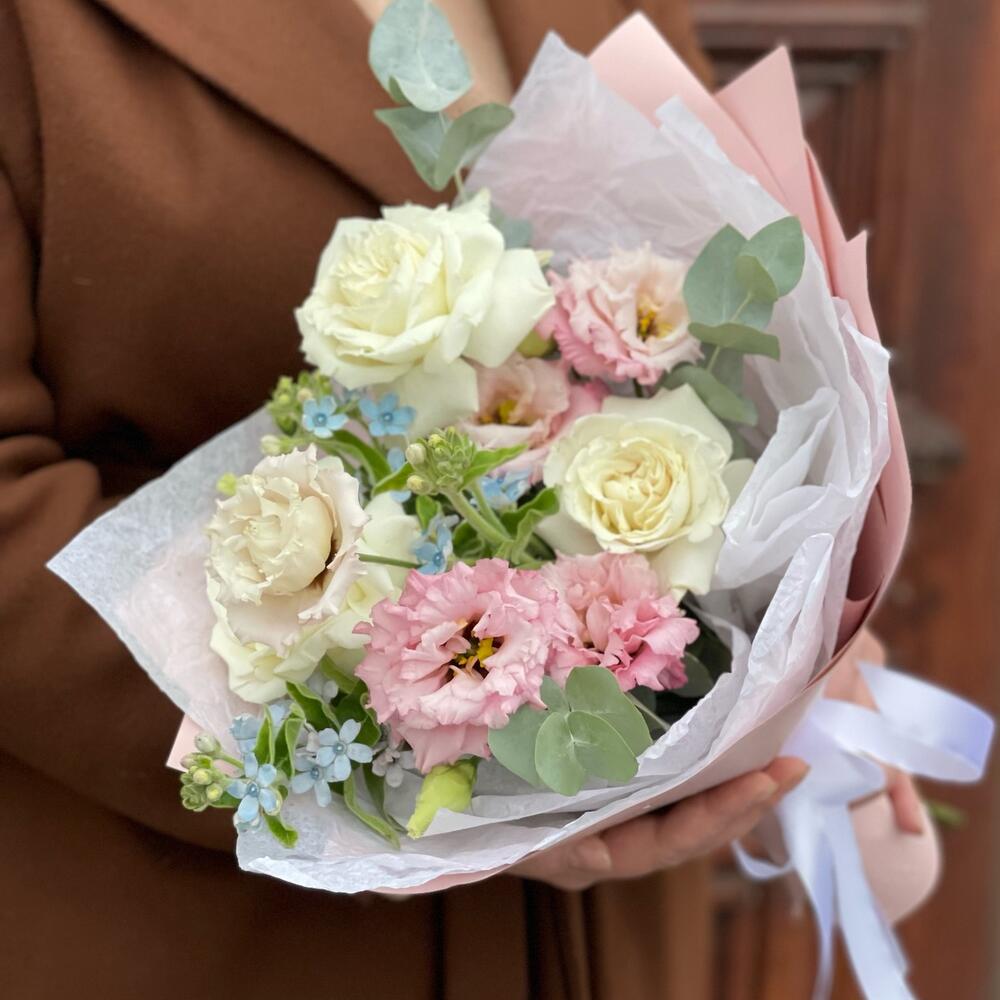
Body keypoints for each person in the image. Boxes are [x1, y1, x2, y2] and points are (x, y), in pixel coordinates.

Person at [0, 1, 922, 997]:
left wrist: (782, 617)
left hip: (609, 900)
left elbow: (708, 278)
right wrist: (419, 782)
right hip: (219, 919)